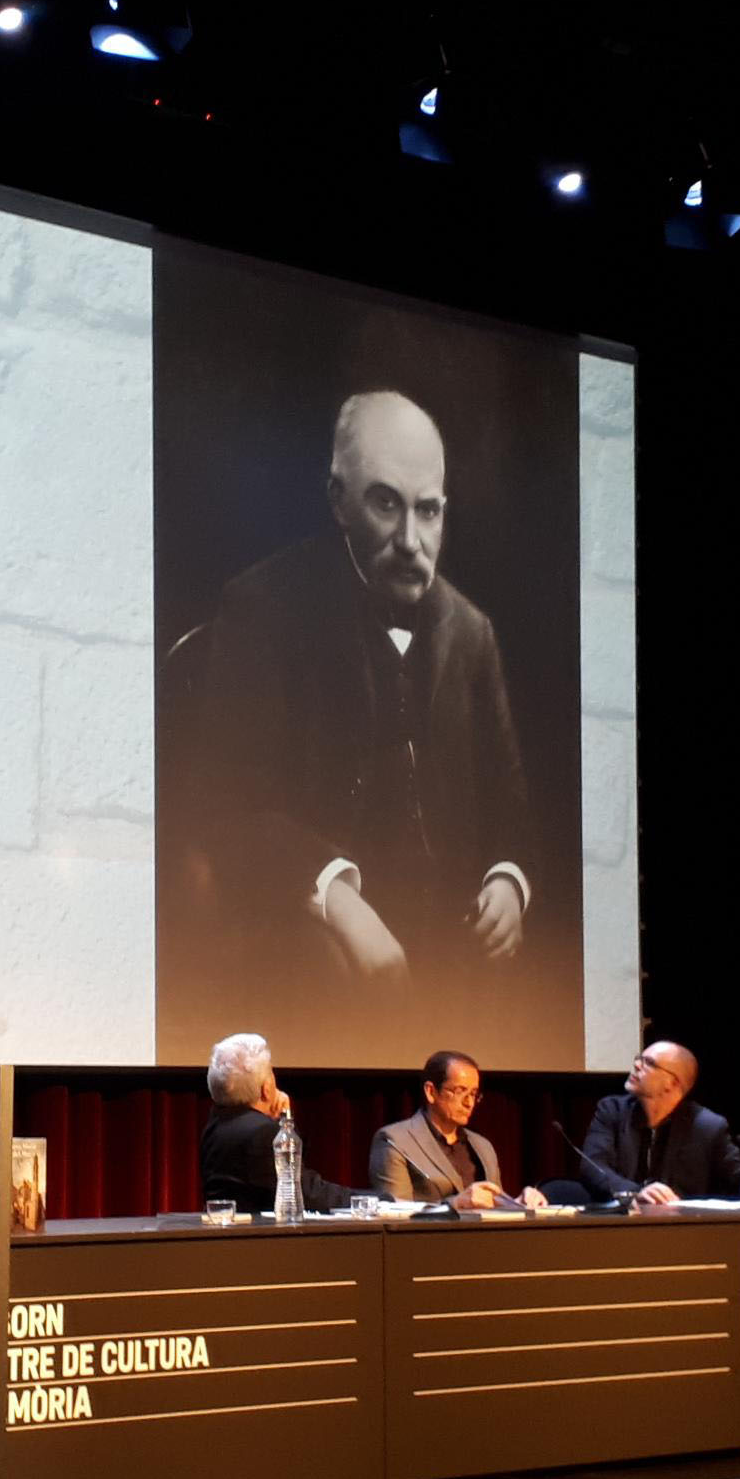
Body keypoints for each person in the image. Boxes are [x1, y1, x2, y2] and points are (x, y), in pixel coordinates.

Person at [173, 391, 533, 1053]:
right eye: (385, 503)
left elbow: (511, 809)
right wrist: (340, 900)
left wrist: (508, 882)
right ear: (339, 499)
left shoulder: (472, 632)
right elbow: (227, 808)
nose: (409, 541)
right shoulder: (262, 606)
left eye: (428, 512)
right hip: (311, 933)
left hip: (445, 941)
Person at [572, 1041, 740, 1206]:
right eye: (639, 1058)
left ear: (672, 1083)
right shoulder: (612, 1111)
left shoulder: (706, 1126)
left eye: (649, 1063)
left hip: (681, 1233)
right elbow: (593, 1167)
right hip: (620, 1225)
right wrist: (635, 1193)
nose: (636, 1065)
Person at [198, 1033, 362, 1214]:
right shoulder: (263, 1132)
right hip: (261, 1238)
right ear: (266, 1089)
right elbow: (307, 1193)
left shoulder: (215, 1127)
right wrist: (376, 1200)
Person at [371, 1050, 547, 1209]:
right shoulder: (394, 1140)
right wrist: (455, 1204)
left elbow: (496, 1206)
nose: (469, 1103)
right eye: (460, 1091)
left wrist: (518, 1203)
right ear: (431, 1092)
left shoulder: (482, 1146)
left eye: (473, 1094)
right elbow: (393, 1212)